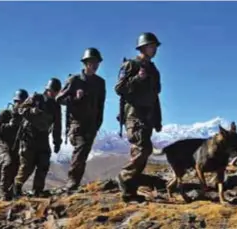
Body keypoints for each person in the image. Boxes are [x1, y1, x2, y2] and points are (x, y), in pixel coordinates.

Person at [114, 32, 163, 202]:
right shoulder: (131, 65)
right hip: (134, 114)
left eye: (155, 46)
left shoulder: (154, 70)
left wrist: (157, 119)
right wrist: (136, 79)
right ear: (143, 47)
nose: (154, 49)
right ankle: (125, 177)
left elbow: (155, 96)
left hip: (148, 115)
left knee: (142, 150)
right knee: (143, 148)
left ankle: (130, 191)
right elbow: (119, 88)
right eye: (151, 46)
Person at [56, 48, 106, 192]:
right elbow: (60, 99)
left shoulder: (100, 83)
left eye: (97, 62)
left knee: (83, 154)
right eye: (92, 62)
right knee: (81, 150)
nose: (95, 65)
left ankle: (73, 183)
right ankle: (72, 183)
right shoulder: (74, 80)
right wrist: (75, 98)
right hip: (76, 124)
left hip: (92, 124)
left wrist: (98, 124)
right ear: (85, 63)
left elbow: (100, 105)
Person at [14, 78, 62, 197]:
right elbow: (21, 109)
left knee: (44, 163)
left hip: (43, 137)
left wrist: (57, 142)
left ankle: (37, 190)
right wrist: (32, 111)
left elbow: (57, 125)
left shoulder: (56, 106)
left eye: (56, 91)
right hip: (29, 137)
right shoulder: (36, 98)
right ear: (47, 89)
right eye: (52, 90)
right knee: (27, 166)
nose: (54, 93)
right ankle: (16, 187)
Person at [0, 89, 29, 200]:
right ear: (14, 102)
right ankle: (3, 194)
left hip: (15, 146)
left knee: (16, 167)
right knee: (8, 162)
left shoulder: (25, 117)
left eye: (23, 102)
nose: (20, 105)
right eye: (19, 102)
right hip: (0, 143)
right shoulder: (5, 114)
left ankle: (8, 193)